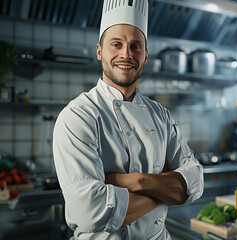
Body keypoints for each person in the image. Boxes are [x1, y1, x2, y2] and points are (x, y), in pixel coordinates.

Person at [52, 0, 204, 239]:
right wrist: (164, 187)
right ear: (100, 51)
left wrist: (137, 181)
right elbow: (90, 213)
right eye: (116, 44)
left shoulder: (160, 115)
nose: (126, 54)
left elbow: (195, 181)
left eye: (135, 46)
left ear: (145, 56)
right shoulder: (78, 116)